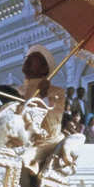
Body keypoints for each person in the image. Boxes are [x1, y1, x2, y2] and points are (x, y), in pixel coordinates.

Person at [18, 44, 66, 172]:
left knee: (21, 160)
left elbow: (52, 127)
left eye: (34, 58)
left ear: (44, 67)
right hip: (17, 139)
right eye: (27, 57)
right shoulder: (18, 90)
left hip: (44, 143)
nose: (28, 60)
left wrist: (43, 95)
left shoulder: (57, 92)